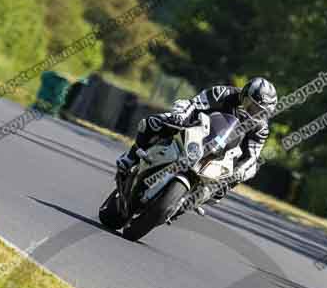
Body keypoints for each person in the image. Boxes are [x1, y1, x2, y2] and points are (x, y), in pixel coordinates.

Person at [117, 77, 278, 201]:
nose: (254, 112)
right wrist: (180, 116)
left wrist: (237, 174)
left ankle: (191, 201)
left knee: (248, 171)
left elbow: (252, 157)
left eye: (261, 111)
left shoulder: (261, 128)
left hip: (223, 153)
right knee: (153, 122)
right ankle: (130, 158)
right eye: (253, 105)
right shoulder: (224, 93)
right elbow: (194, 103)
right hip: (198, 129)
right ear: (244, 94)